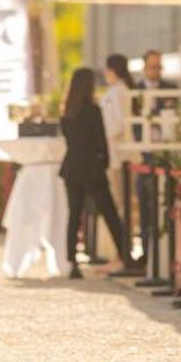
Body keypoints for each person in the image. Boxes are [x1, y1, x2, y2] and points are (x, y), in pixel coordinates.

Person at [58, 67, 132, 280]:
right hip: (91, 167)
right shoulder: (92, 110)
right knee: (109, 212)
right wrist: (105, 161)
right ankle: (125, 254)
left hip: (72, 166)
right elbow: (100, 141)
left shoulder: (67, 112)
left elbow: (69, 139)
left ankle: (72, 261)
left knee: (74, 214)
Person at [98, 54, 137, 267]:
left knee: (122, 205)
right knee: (119, 204)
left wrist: (103, 135)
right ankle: (119, 253)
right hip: (114, 154)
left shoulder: (120, 92)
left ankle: (122, 254)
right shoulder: (114, 91)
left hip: (120, 155)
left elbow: (120, 124)